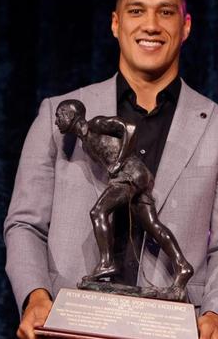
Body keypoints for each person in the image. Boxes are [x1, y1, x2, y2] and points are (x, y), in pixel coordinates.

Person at [3, 0, 218, 339]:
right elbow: (25, 223)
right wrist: (36, 296)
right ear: (115, 23)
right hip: (70, 324)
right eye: (137, 11)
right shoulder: (56, 114)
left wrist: (216, 315)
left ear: (185, 27)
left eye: (165, 12)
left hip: (170, 328)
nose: (151, 25)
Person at [54, 99, 193, 294]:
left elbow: (129, 127)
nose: (57, 121)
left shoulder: (96, 124)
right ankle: (182, 265)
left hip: (131, 174)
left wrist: (120, 161)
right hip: (136, 175)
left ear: (70, 114)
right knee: (152, 225)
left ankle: (106, 263)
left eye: (59, 115)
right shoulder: (85, 144)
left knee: (97, 212)